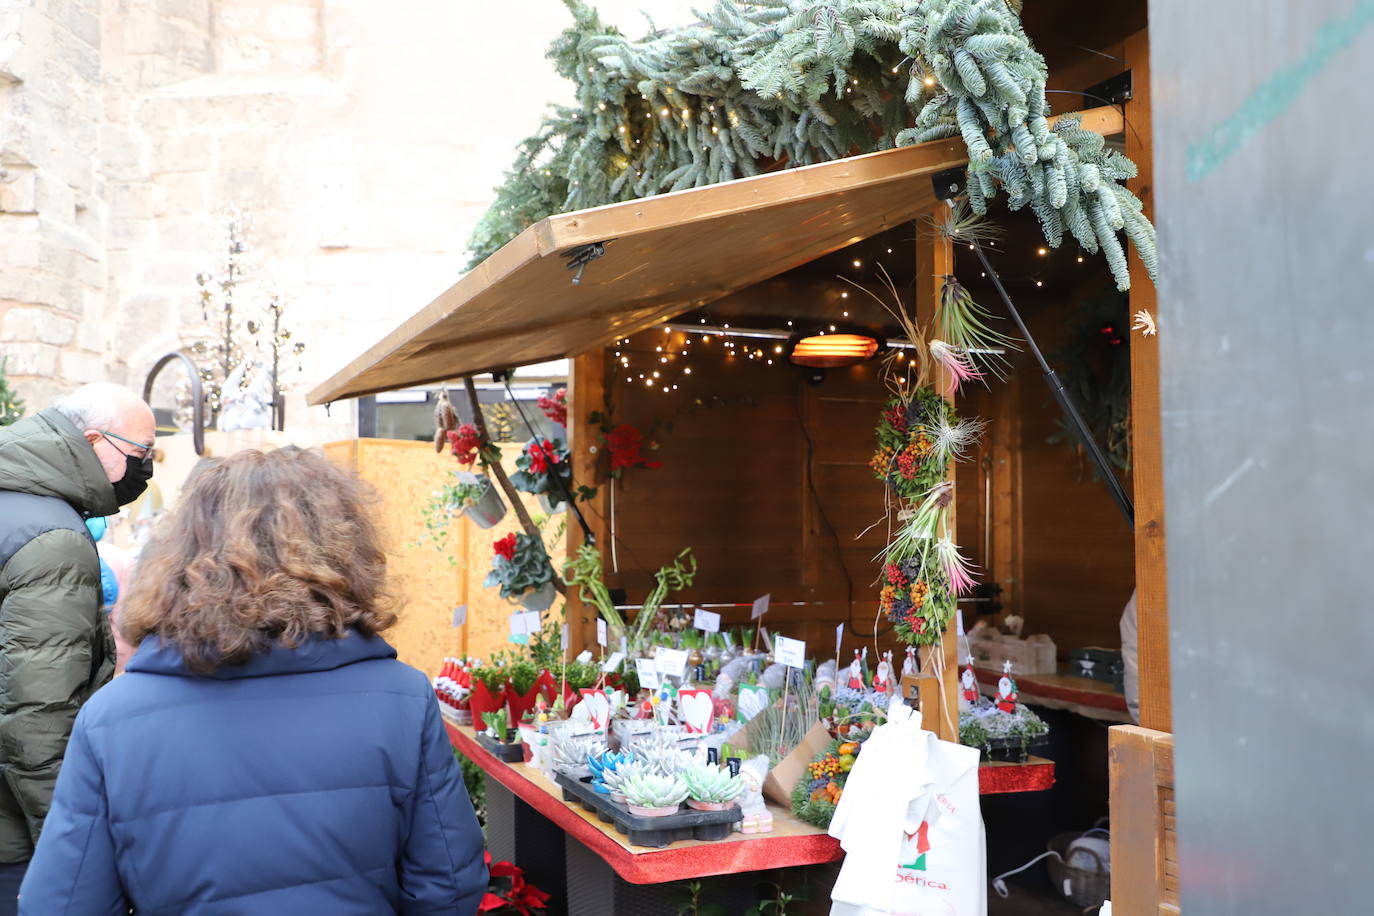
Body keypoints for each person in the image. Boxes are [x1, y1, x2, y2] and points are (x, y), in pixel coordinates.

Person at [20, 447, 487, 913]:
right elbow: (449, 884)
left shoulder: (112, 718)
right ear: (344, 550)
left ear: (180, 555)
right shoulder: (401, 699)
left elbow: (61, 903)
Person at [0, 383, 155, 905]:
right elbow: (37, 717)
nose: (146, 469)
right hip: (15, 841)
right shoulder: (55, 541)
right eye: (141, 454)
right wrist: (65, 852)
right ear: (94, 443)